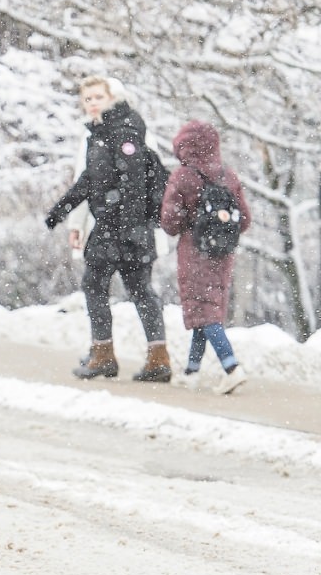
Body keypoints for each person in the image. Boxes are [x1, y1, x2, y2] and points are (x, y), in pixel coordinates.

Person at [45, 75, 171, 382]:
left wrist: (123, 227)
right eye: (87, 99)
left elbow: (132, 185)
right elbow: (90, 180)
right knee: (136, 290)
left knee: (100, 287)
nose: (91, 104)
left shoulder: (123, 132)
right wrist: (62, 212)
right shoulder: (103, 132)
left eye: (97, 97)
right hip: (124, 231)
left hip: (120, 231)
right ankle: (152, 357)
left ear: (112, 98)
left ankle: (108, 356)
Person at [160, 120, 251, 395]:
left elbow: (169, 223)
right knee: (206, 308)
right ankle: (191, 371)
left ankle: (231, 367)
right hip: (222, 253)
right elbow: (244, 219)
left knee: (205, 313)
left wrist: (192, 219)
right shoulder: (228, 175)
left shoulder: (183, 176)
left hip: (195, 251)